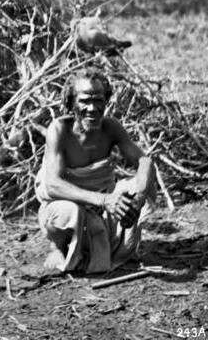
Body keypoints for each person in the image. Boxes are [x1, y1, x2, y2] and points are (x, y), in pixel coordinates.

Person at [35, 68, 156, 275]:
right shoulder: (60, 130)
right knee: (68, 211)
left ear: (106, 101)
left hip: (102, 209)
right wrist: (103, 200)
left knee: (134, 186)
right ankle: (57, 247)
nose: (92, 108)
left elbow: (144, 161)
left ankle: (109, 246)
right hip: (70, 206)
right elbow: (52, 185)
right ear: (71, 102)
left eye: (98, 100)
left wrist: (139, 198)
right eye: (84, 101)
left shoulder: (111, 128)